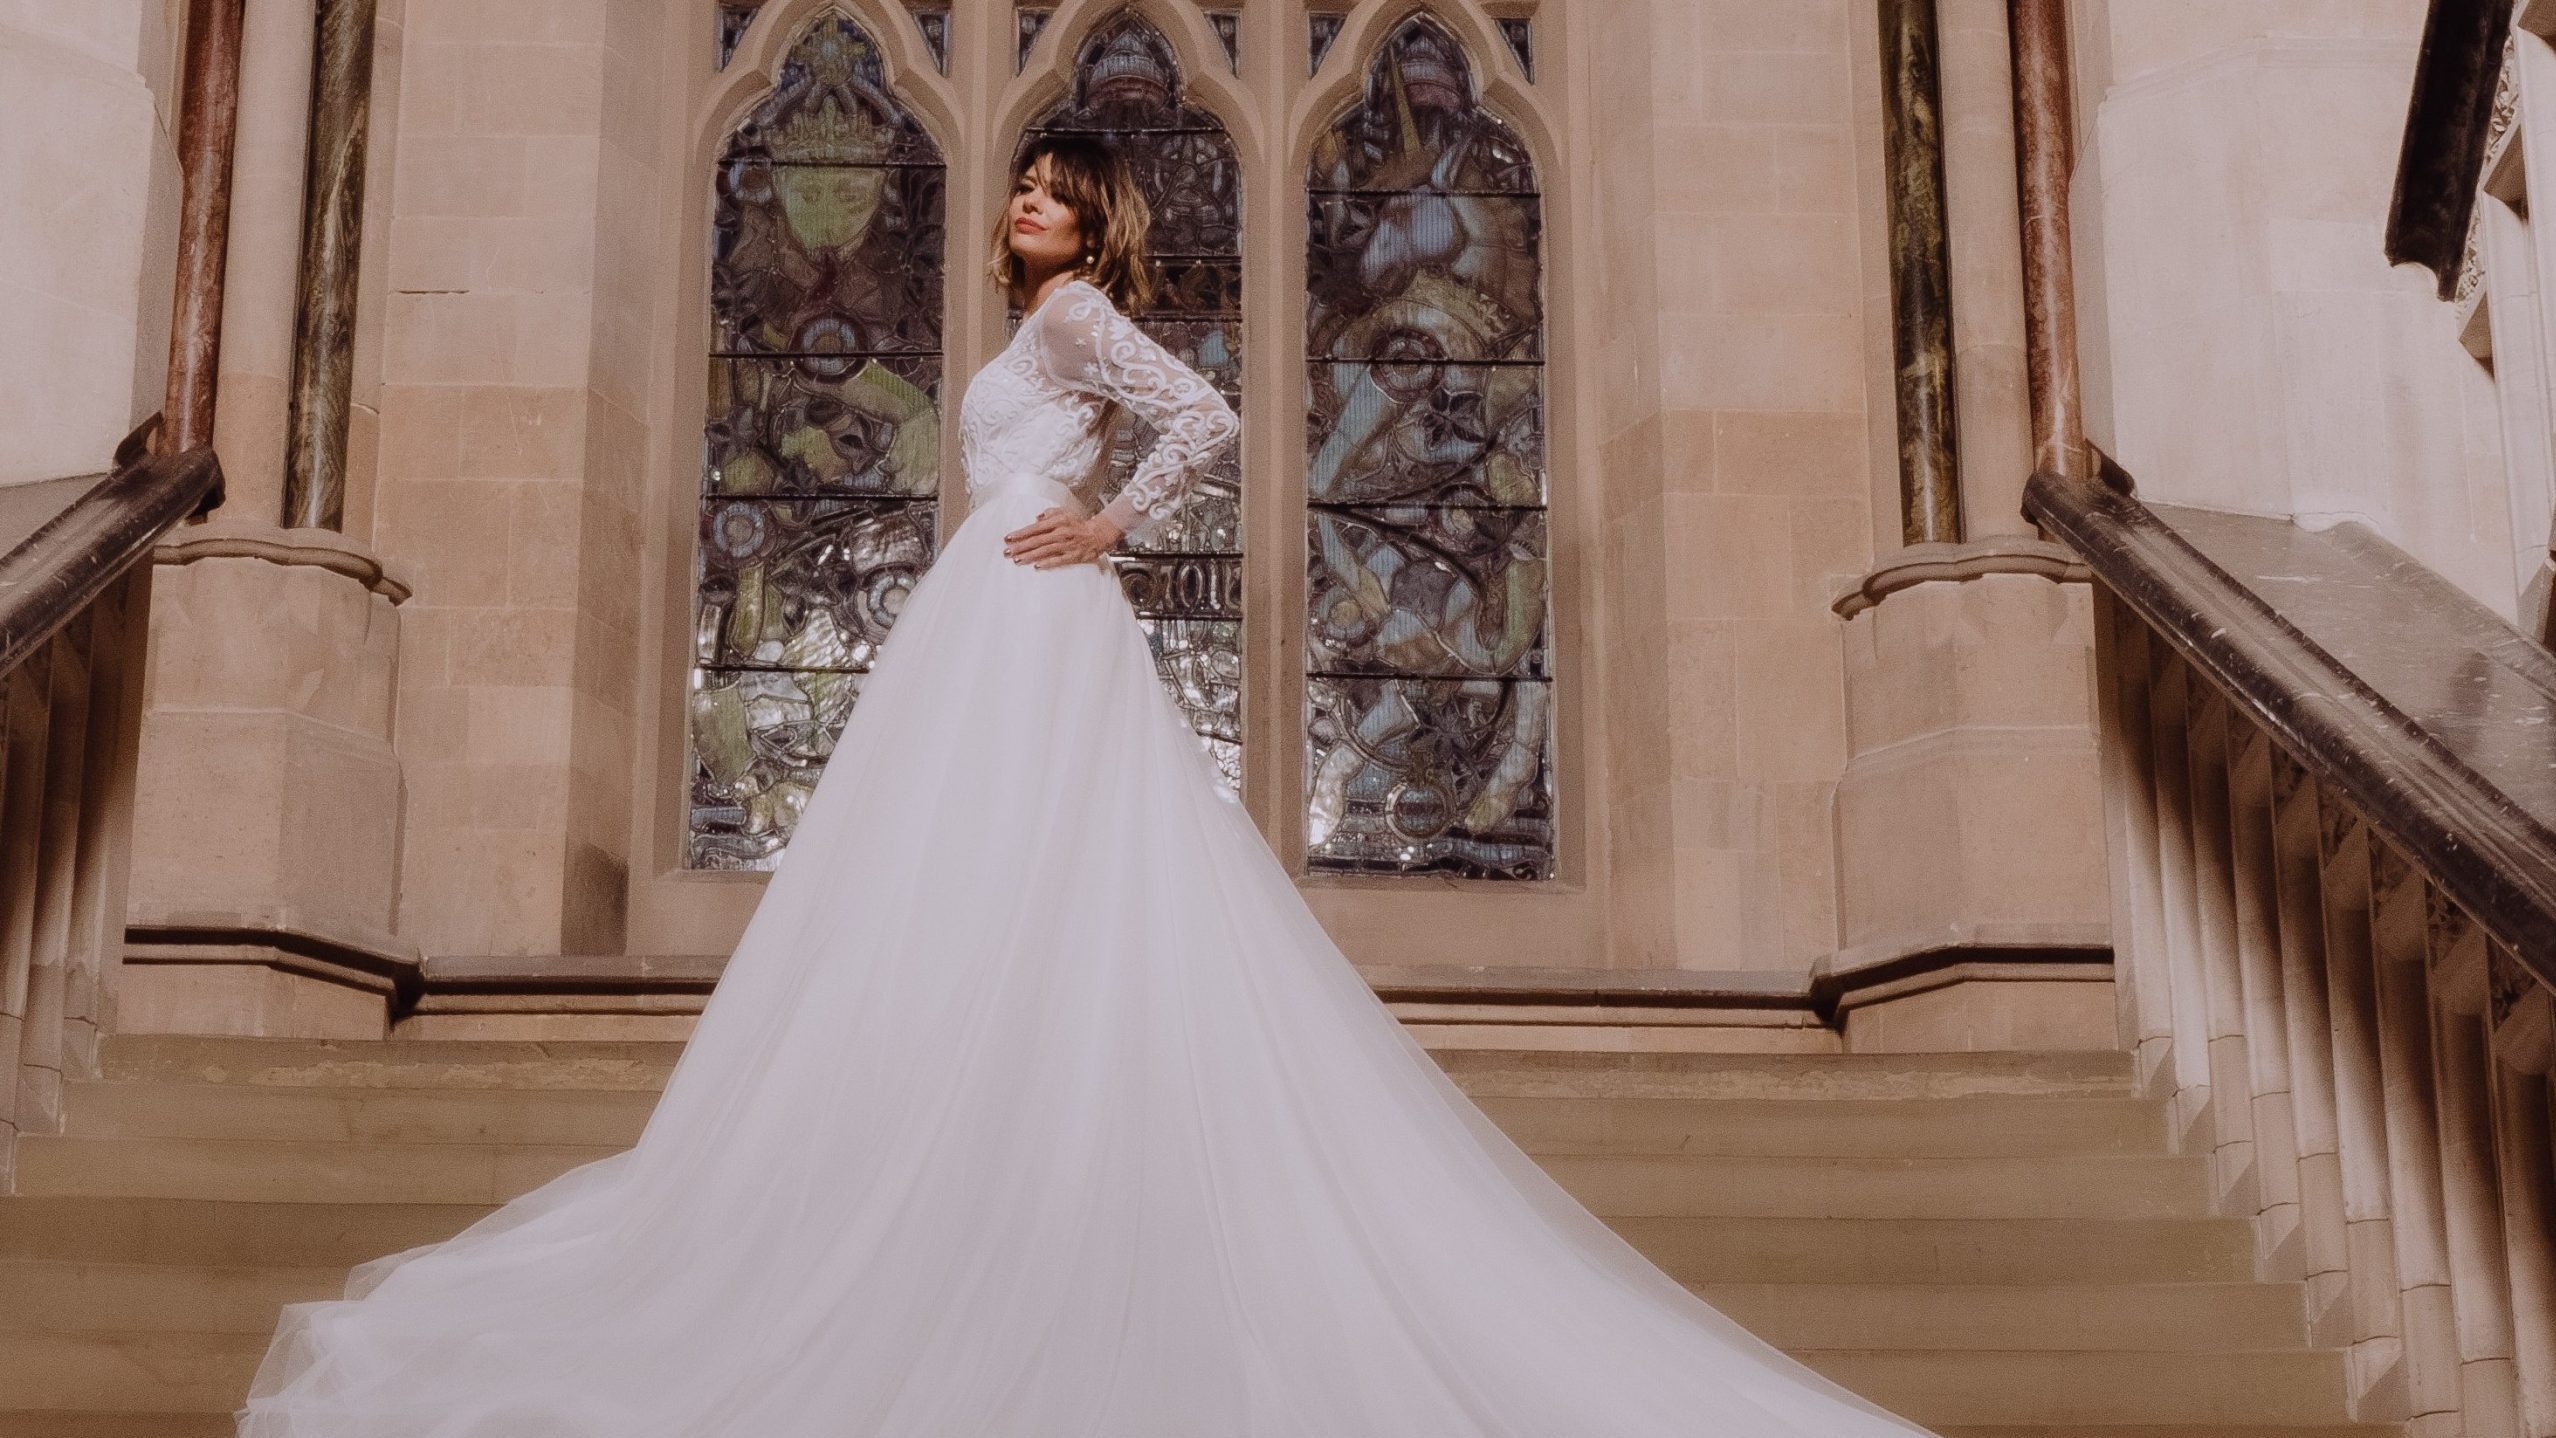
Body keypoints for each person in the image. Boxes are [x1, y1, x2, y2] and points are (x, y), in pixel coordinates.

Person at [234, 135, 1939, 1438]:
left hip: (1036, 611)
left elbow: (1203, 414)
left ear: (1095, 227)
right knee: (988, 901)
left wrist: (1111, 525)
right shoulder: (1033, 325)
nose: (1030, 202)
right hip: (995, 619)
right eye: (1027, 186)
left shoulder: (1071, 318)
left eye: (1058, 191)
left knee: (1011, 891)